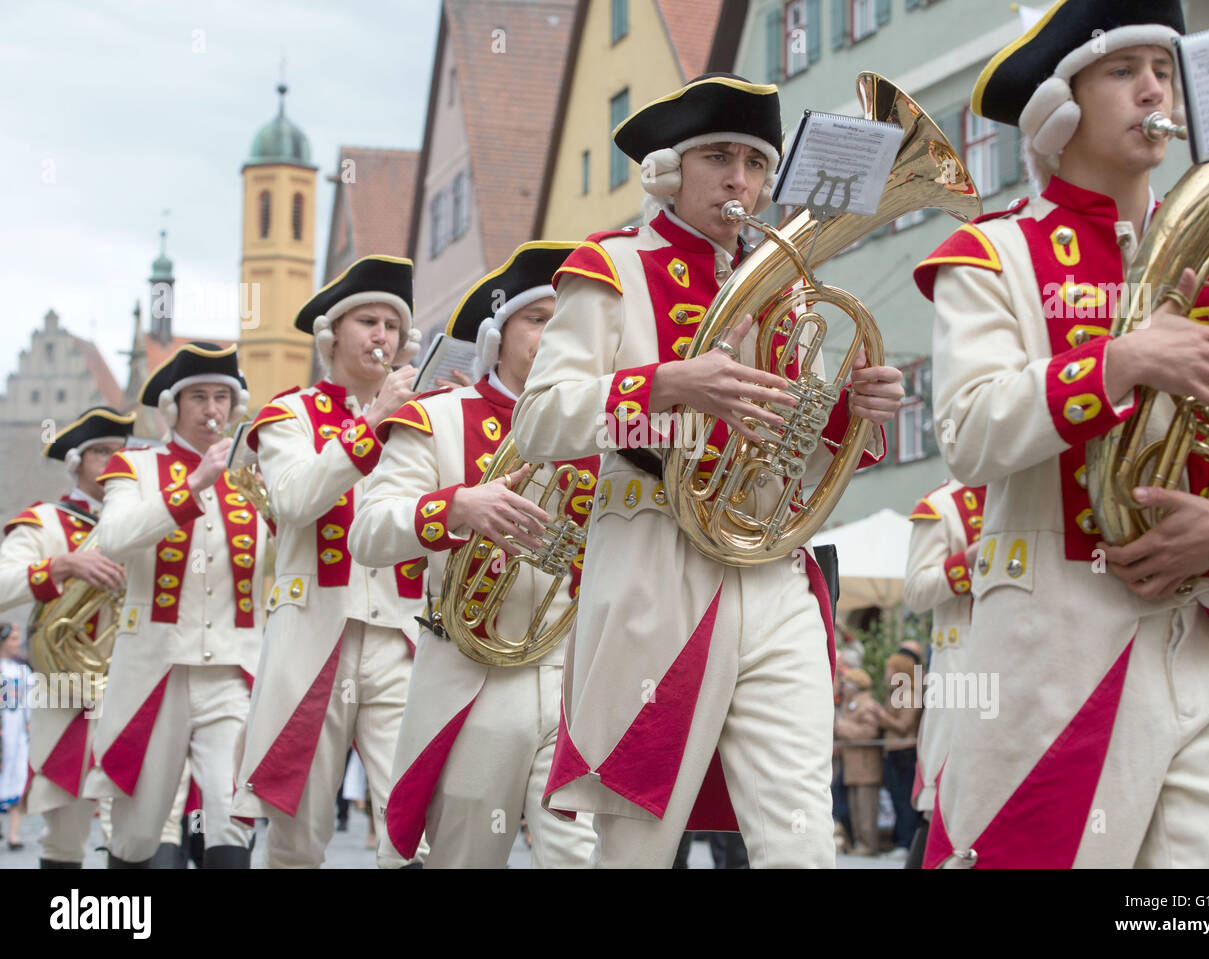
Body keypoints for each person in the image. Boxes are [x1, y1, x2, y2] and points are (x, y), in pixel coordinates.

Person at [913, 0, 1209, 867]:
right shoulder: (993, 255)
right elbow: (968, 432)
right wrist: (1119, 364)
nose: (1153, 86)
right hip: (1058, 647)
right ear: (1059, 108)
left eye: (1162, 68)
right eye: (1122, 70)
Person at [513, 73, 905, 867]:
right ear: (667, 171)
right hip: (656, 564)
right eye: (719, 157)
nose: (742, 181)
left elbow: (806, 447)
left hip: (773, 571)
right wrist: (658, 385)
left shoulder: (787, 289)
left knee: (801, 838)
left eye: (757, 164)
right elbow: (539, 420)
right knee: (636, 844)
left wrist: (855, 408)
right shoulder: (610, 267)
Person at [352, 241, 600, 868]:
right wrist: (455, 508)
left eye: (566, 318)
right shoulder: (437, 418)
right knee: (467, 857)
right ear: (499, 333)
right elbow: (369, 532)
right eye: (539, 319)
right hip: (474, 678)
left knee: (584, 859)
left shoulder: (607, 426)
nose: (555, 332)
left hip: (578, 675)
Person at [231, 255, 427, 868]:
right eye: (367, 321)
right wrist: (370, 423)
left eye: (392, 327)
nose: (382, 337)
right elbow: (293, 500)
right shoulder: (287, 415)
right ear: (331, 335)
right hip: (315, 636)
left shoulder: (425, 417)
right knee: (297, 834)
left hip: (400, 635)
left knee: (411, 823)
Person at [88, 343, 269, 868]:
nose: (211, 409)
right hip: (155, 671)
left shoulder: (253, 476)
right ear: (173, 407)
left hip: (232, 671)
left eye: (221, 396)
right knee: (137, 831)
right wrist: (192, 485)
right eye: (198, 397)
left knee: (229, 815)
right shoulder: (135, 466)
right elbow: (116, 537)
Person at [0, 407, 134, 866]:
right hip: (66, 690)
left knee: (137, 829)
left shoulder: (142, 522)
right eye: (101, 452)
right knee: (65, 831)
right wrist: (59, 565)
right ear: (75, 462)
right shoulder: (46, 522)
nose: (114, 461)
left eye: (121, 452)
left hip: (135, 685)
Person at [902, 479, 984, 866]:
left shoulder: (1032, 491)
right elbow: (917, 591)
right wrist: (969, 561)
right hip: (964, 668)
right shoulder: (942, 505)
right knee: (948, 795)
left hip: (1031, 664)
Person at [874, 650, 922, 855]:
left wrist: (881, 716)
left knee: (904, 799)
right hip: (893, 752)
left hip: (904, 752)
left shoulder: (909, 694)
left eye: (891, 669)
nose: (887, 673)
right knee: (896, 798)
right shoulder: (895, 694)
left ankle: (907, 843)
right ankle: (900, 841)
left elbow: (904, 726)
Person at [834, 667, 882, 856]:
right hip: (852, 764)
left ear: (856, 686)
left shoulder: (867, 704)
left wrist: (841, 727)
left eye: (846, 685)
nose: (843, 688)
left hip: (866, 764)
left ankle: (869, 844)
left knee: (866, 807)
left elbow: (869, 732)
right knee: (855, 806)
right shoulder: (851, 704)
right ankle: (860, 842)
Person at [1, 623, 32, 849]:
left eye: (18, 638)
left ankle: (13, 835)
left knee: (19, 776)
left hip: (18, 732)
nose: (16, 643)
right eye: (12, 638)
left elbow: (31, 703)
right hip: (2, 731)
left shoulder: (24, 670)